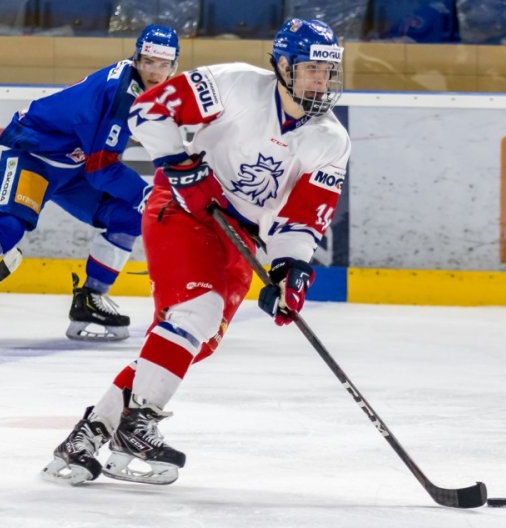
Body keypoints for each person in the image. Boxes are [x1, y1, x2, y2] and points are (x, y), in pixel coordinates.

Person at [42, 18, 351, 486]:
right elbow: (149, 111)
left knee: (192, 342)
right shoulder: (234, 84)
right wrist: (179, 164)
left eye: (327, 73)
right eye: (311, 69)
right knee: (196, 313)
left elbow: (303, 219)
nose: (320, 82)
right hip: (182, 207)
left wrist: (291, 270)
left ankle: (91, 434)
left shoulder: (331, 140)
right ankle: (136, 426)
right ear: (283, 65)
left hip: (239, 235)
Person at [0, 25, 180, 348]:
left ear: (174, 66)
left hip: (75, 166)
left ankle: (91, 299)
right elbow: (102, 169)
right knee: (9, 225)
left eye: (162, 65)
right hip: (34, 153)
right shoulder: (122, 94)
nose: (154, 72)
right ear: (136, 58)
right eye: (148, 62)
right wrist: (147, 194)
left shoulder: (150, 92)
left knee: (128, 216)